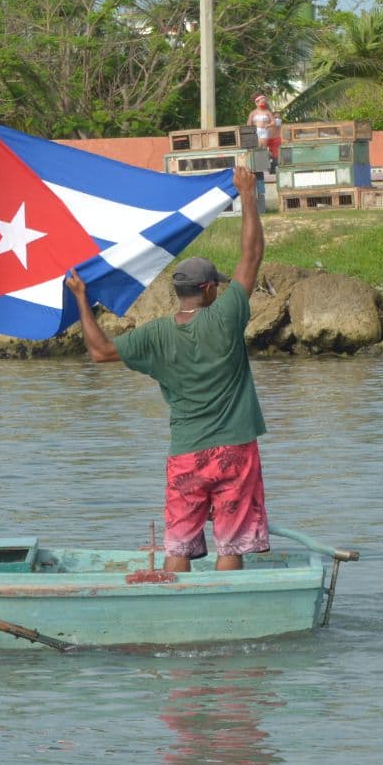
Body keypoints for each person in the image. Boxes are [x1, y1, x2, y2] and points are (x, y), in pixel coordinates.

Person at [65, 166, 268, 573]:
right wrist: (247, 194)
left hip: (186, 454)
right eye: (217, 285)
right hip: (233, 450)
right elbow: (252, 255)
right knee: (231, 545)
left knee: (178, 547)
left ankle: (177, 622)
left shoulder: (154, 336)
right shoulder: (226, 316)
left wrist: (82, 300)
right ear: (210, 290)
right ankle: (228, 620)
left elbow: (101, 352)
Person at [247, 94, 281, 165]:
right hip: (256, 131)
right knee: (257, 148)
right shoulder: (253, 113)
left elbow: (274, 122)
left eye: (264, 102)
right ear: (256, 102)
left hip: (264, 131)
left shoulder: (267, 112)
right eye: (262, 102)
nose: (263, 103)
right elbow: (249, 124)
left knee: (264, 148)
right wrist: (251, 131)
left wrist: (268, 125)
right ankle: (258, 164)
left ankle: (263, 164)